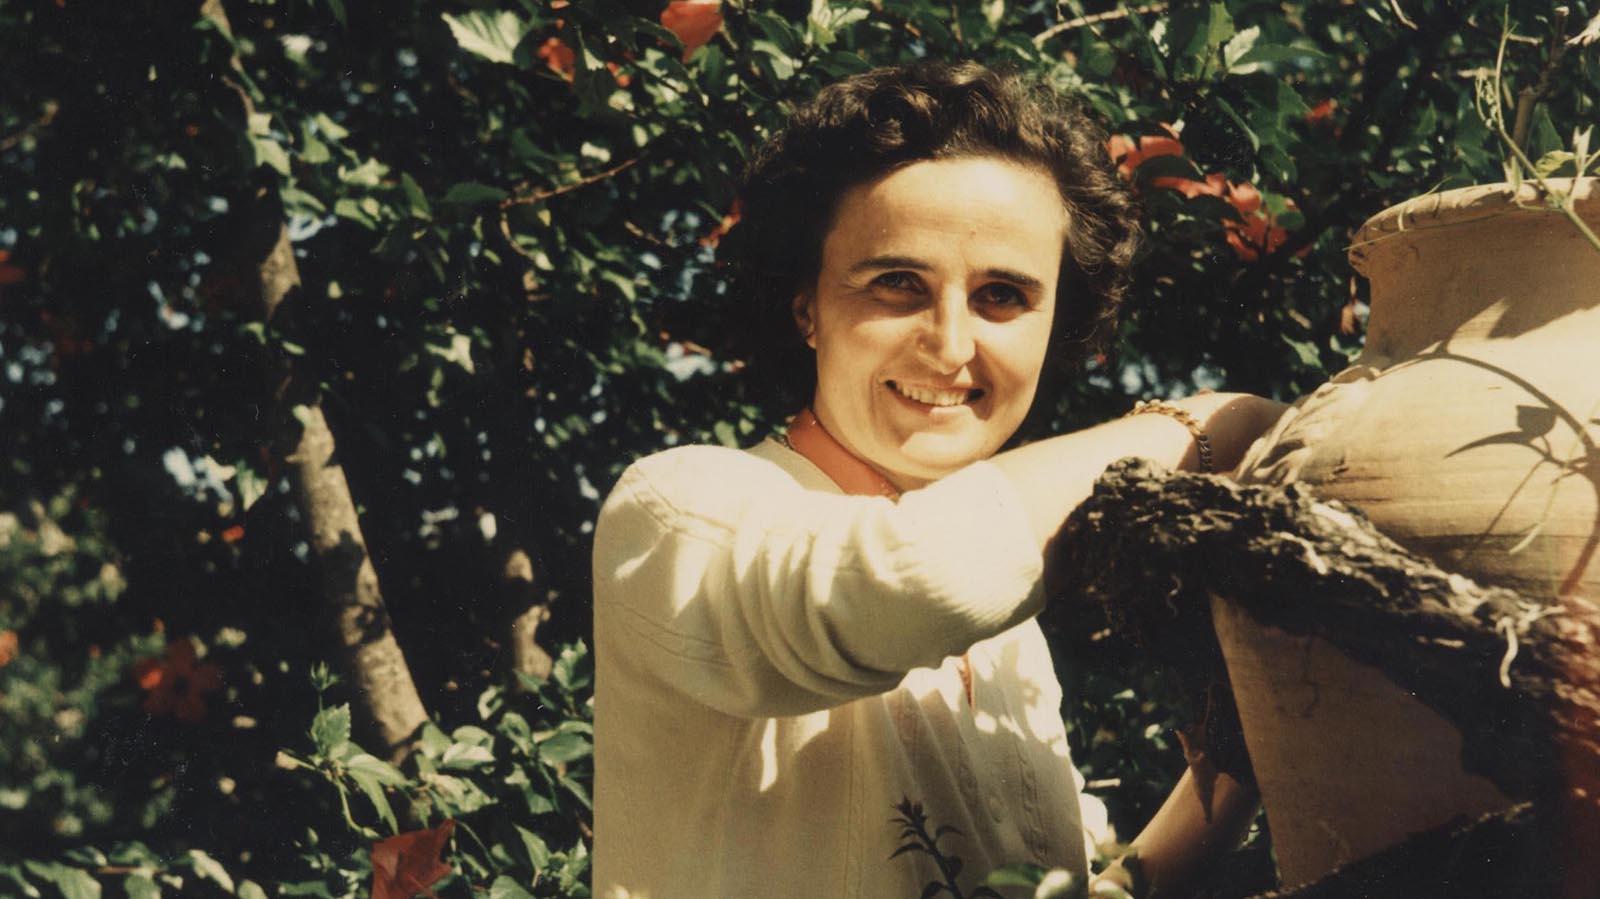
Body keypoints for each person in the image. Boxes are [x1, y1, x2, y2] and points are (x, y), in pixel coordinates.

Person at [592, 61, 1285, 899]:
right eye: (897, 283)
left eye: (1003, 295)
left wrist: (1236, 768)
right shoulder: (679, 510)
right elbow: (917, 578)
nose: (951, 344)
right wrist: (1203, 427)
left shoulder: (1009, 631)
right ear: (806, 304)